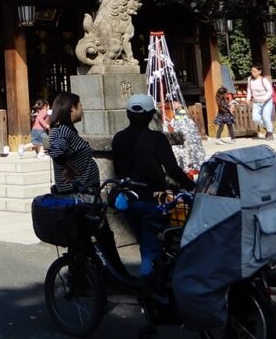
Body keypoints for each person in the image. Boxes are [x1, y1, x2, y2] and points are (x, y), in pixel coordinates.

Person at [112, 94, 196, 284]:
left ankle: (153, 283)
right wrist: (192, 186)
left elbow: (117, 169)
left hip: (128, 198)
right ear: (151, 115)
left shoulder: (119, 138)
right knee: (151, 249)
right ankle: (149, 292)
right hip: (153, 198)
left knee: (145, 243)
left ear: (128, 114)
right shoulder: (156, 139)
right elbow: (172, 169)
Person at [47, 92, 98, 195]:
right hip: (75, 192)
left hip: (81, 189)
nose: (82, 110)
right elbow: (55, 151)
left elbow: (50, 147)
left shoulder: (61, 130)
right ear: (72, 108)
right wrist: (69, 169)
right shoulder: (63, 130)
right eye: (80, 106)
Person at [168, 105, 207, 173]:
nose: (174, 105)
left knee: (186, 155)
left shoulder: (182, 115)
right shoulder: (180, 117)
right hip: (182, 140)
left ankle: (188, 167)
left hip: (184, 139)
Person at [246, 65, 275, 141]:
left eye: (255, 71)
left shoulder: (263, 80)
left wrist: (264, 98)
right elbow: (249, 90)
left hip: (266, 101)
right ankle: (267, 127)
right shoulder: (250, 80)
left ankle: (269, 133)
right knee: (255, 118)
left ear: (259, 72)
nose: (253, 73)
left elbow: (270, 91)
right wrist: (248, 98)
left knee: (266, 117)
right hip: (256, 102)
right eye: (252, 71)